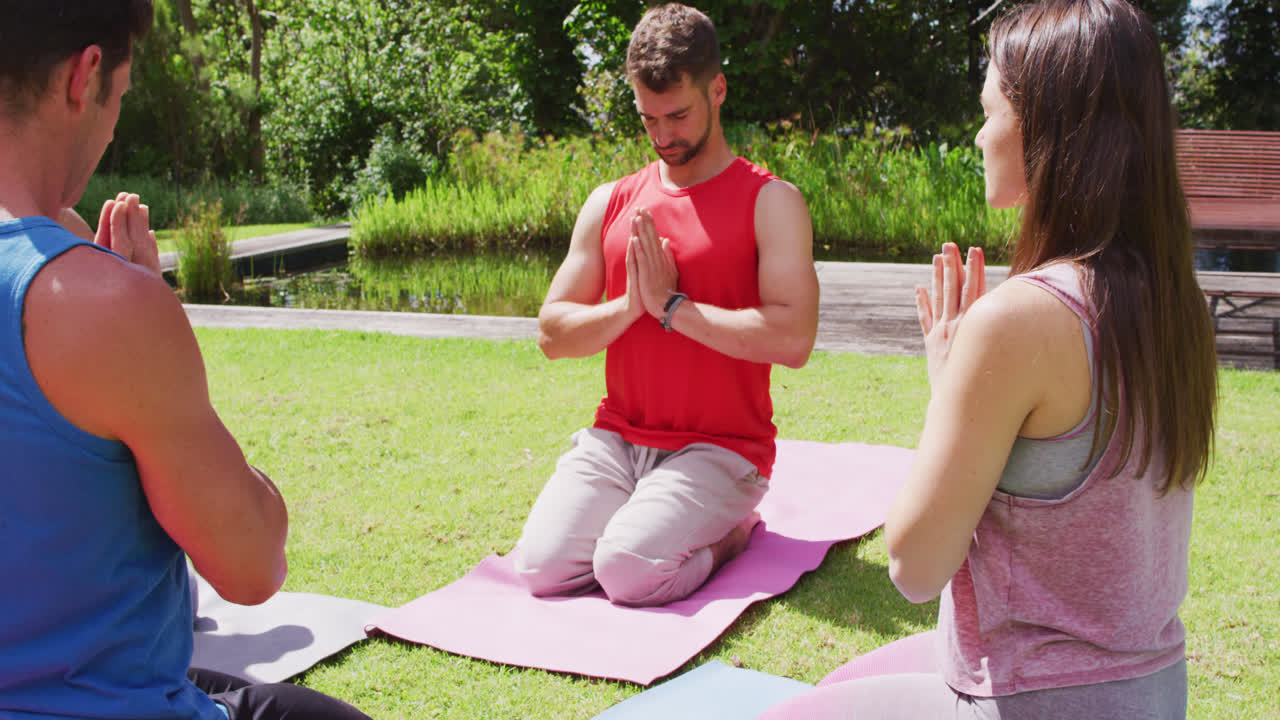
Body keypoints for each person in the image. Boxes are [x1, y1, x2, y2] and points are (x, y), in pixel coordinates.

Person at [759, 0, 1217, 718]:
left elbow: (913, 568)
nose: (976, 136)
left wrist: (949, 387)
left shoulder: (1020, 318)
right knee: (840, 687)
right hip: (1150, 691)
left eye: (988, 111)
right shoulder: (1174, 301)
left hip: (1043, 700)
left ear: (1045, 129)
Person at [0, 3, 370, 718]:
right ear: (87, 75)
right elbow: (252, 566)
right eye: (124, 95)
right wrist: (148, 330)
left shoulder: (80, 281)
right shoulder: (97, 303)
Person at [512, 2, 819, 607]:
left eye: (677, 114)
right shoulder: (610, 200)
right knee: (539, 571)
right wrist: (633, 305)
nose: (663, 135)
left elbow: (793, 339)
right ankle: (645, 512)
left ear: (718, 89)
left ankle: (731, 536)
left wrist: (674, 308)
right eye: (648, 117)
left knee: (627, 571)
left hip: (723, 449)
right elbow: (553, 333)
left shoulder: (773, 201)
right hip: (618, 440)